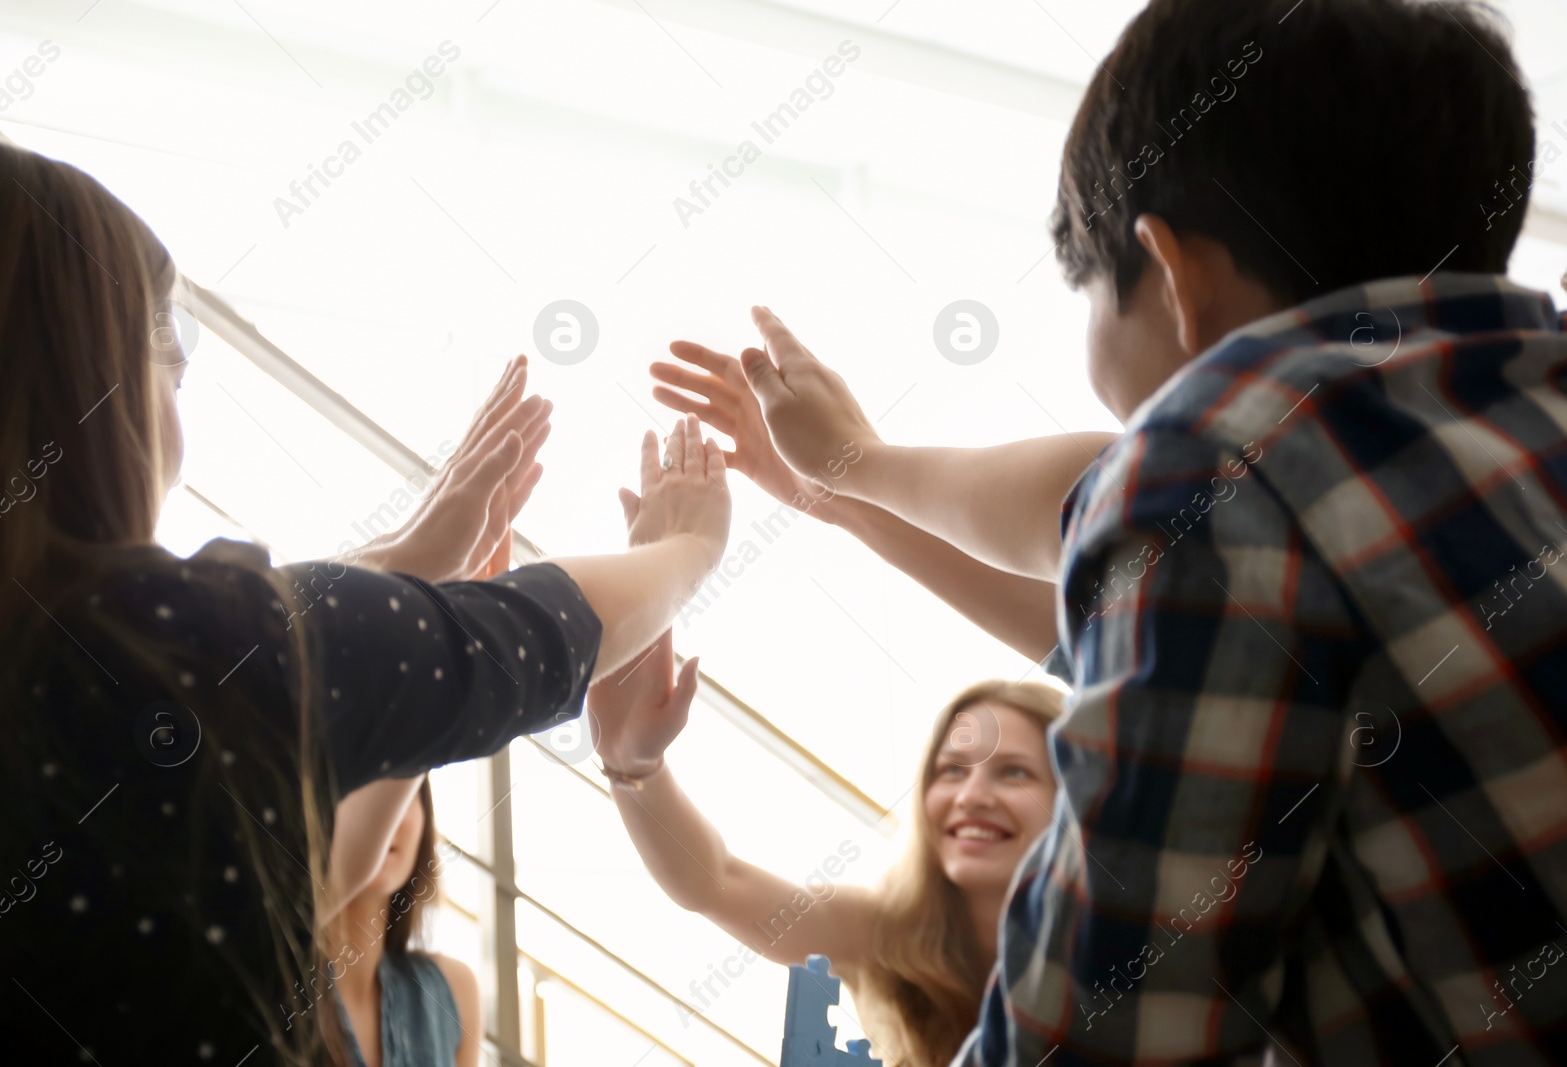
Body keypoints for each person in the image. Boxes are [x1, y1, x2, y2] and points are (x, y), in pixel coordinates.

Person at [703, 1, 1567, 1062]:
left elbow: (1091, 1038)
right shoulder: (1481, 439)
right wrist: (854, 483)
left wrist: (863, 471)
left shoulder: (1225, 464)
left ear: (1172, 275)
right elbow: (1089, 564)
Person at [0, 136, 731, 1065]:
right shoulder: (186, 645)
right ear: (99, 389)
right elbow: (538, 634)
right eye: (167, 366)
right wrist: (687, 545)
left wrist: (406, 563)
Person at [586, 633, 1068, 1067]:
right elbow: (715, 881)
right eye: (953, 771)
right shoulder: (877, 927)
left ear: (1080, 797)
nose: (971, 796)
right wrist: (634, 765)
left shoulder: (1124, 945)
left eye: (1014, 772)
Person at [650, 341, 1109, 663]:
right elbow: (1071, 623)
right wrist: (839, 495)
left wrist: (853, 459)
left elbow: (1087, 503)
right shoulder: (1146, 651)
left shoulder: (1163, 488)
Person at [317, 775, 479, 1067]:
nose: (384, 816)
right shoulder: (272, 993)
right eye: (359, 784)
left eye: (400, 786)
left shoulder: (453, 990)